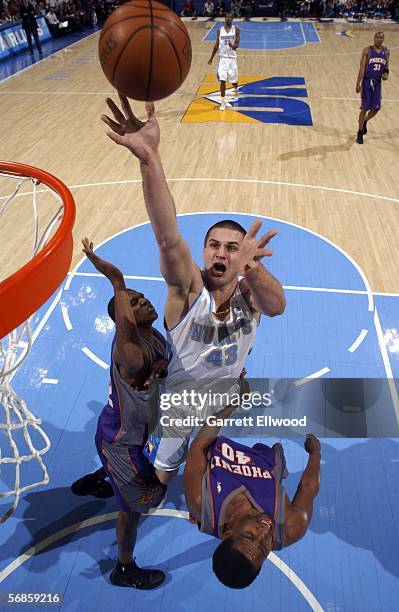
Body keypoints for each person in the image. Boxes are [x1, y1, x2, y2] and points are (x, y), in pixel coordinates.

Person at [101, 95, 286, 483]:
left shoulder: (249, 293)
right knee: (158, 481)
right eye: (214, 245)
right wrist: (149, 159)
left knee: (201, 456)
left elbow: (277, 306)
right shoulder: (187, 291)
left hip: (221, 398)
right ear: (203, 251)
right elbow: (168, 238)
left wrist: (251, 268)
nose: (221, 252)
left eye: (232, 248)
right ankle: (119, 479)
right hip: (177, 409)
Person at [71, 238, 168, 590]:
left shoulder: (152, 335)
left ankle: (97, 480)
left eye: (142, 298)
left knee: (137, 474)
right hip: (121, 442)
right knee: (139, 505)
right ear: (125, 319)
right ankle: (124, 569)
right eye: (136, 304)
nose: (144, 303)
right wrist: (116, 280)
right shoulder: (130, 352)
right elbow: (133, 346)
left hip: (122, 432)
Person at [184, 415, 321, 589]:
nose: (264, 533)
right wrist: (315, 453)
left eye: (250, 536)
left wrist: (224, 410)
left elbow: (197, 448)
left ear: (227, 534)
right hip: (266, 460)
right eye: (264, 549)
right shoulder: (290, 527)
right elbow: (308, 487)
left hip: (225, 448)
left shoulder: (200, 500)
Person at [356, 31, 390, 144]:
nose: (379, 39)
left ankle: (365, 122)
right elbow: (362, 68)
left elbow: (386, 67)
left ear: (383, 39)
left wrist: (386, 74)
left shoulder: (386, 51)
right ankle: (360, 132)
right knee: (365, 108)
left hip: (377, 83)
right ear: (374, 38)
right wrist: (358, 83)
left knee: (376, 109)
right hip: (367, 82)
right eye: (377, 37)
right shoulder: (367, 50)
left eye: (381, 37)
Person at [208, 13, 240, 110]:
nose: (228, 18)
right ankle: (223, 102)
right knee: (222, 79)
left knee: (233, 80)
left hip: (232, 58)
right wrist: (211, 58)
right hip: (222, 58)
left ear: (232, 19)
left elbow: (237, 44)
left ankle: (235, 88)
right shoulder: (219, 30)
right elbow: (217, 44)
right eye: (227, 17)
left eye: (230, 17)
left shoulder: (236, 30)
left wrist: (233, 46)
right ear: (225, 19)